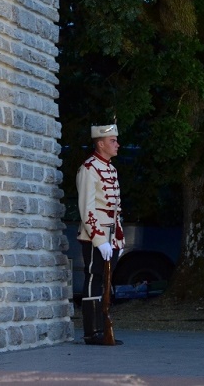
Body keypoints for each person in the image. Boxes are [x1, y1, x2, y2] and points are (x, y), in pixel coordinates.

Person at [76, 123, 125, 345]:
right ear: (101, 143)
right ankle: (91, 332)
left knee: (105, 283)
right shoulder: (89, 168)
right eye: (113, 141)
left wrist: (118, 238)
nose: (117, 144)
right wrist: (99, 240)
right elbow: (87, 208)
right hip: (95, 236)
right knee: (94, 278)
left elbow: (116, 208)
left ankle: (103, 330)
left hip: (111, 236)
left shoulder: (111, 169)